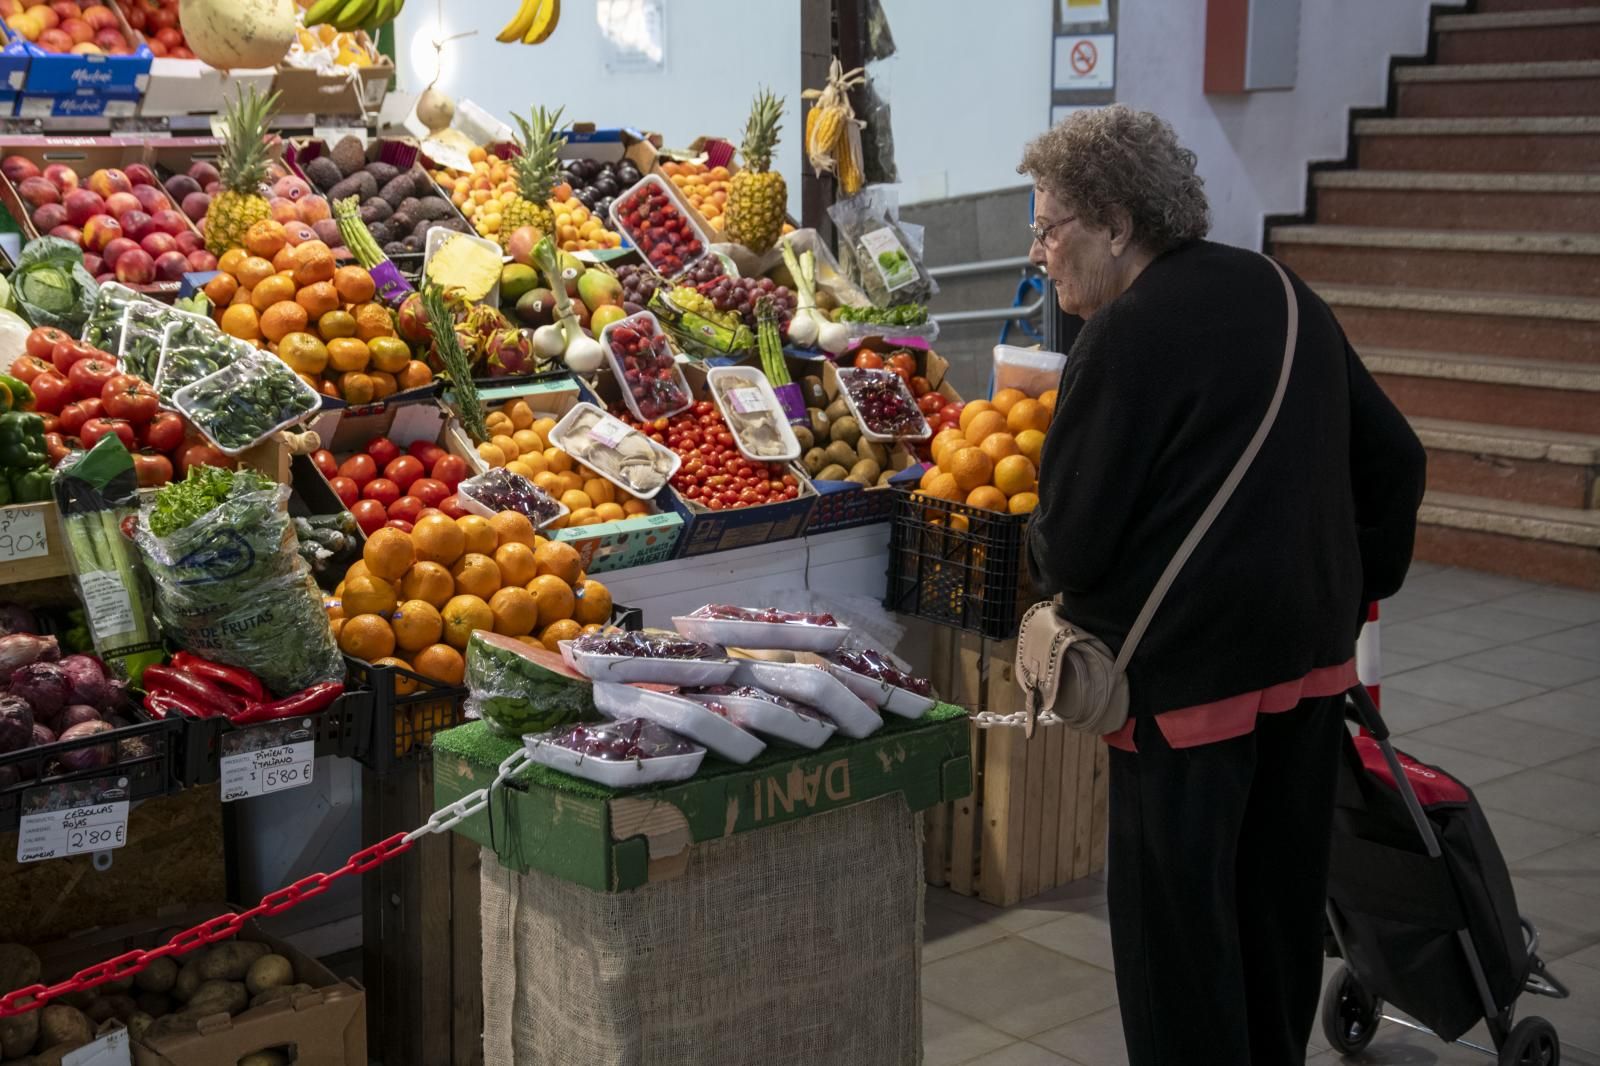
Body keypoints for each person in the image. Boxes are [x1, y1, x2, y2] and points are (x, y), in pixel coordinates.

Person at [1016, 105, 1427, 1066]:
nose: (1039, 251)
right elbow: (1397, 460)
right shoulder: (1283, 293)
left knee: (1177, 947)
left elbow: (1072, 549)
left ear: (1116, 223)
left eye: (1048, 225)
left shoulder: (1121, 338)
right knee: (1277, 920)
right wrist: (1337, 581)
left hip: (1183, 694)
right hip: (1309, 673)